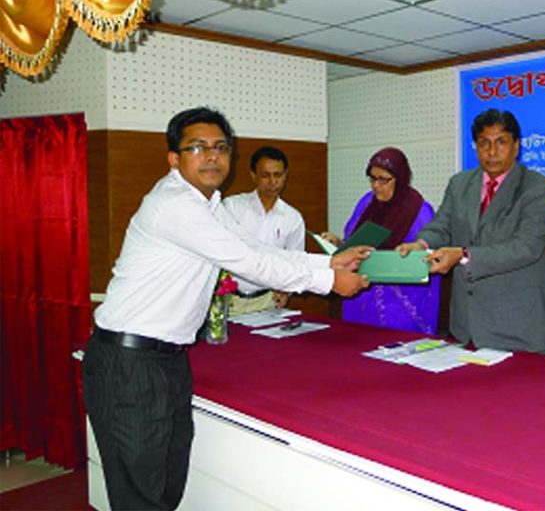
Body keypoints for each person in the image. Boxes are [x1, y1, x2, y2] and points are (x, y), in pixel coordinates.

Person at [83, 107, 369, 510]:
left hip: (167, 360)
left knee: (166, 485)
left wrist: (329, 262)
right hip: (130, 363)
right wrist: (329, 283)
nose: (212, 156)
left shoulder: (209, 205)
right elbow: (247, 263)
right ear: (174, 158)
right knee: (139, 496)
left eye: (220, 147)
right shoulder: (174, 205)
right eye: (197, 148)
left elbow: (258, 248)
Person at [397, 109, 545, 353]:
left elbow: (526, 248)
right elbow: (442, 225)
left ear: (516, 146)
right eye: (484, 143)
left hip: (517, 328)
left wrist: (462, 255)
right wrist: (421, 244)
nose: (492, 152)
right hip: (466, 326)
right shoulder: (460, 184)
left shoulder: (538, 188)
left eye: (501, 142)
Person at [322, 148, 440, 334]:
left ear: (399, 179)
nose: (376, 185)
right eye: (372, 179)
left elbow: (426, 260)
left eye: (383, 180)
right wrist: (338, 244)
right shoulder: (366, 203)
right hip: (362, 296)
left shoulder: (420, 211)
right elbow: (352, 242)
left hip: (401, 305)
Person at [224, 146, 305, 315]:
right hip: (228, 300)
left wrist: (286, 291)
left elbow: (295, 262)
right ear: (254, 175)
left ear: (285, 176)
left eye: (278, 175)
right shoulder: (231, 207)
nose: (272, 182)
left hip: (268, 301)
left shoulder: (293, 218)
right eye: (265, 175)